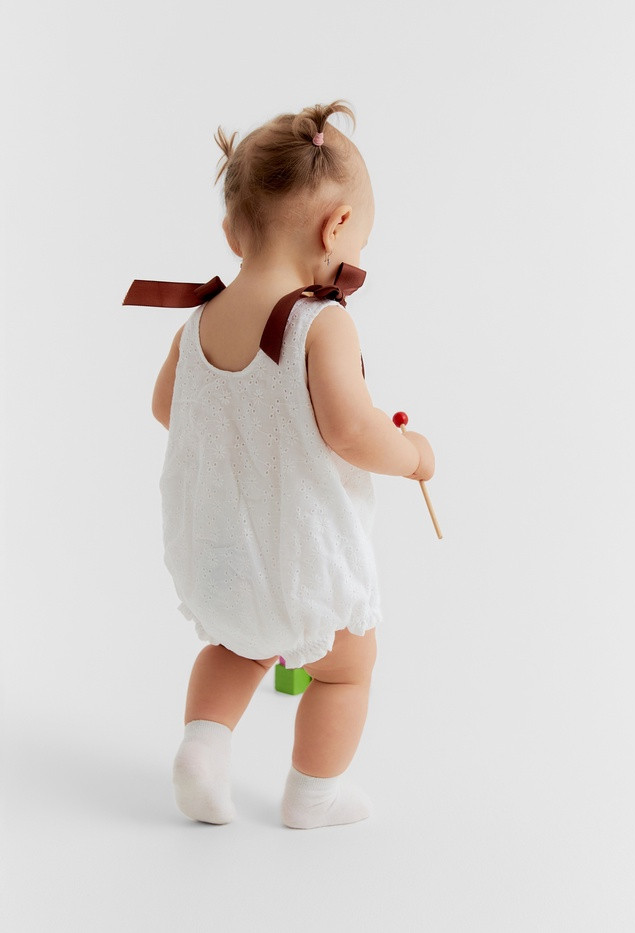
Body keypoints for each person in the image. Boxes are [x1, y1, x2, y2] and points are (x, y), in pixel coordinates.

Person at [148, 99, 435, 830]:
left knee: (235, 647)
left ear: (231, 232)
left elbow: (166, 407)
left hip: (221, 552)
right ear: (338, 227)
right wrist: (412, 456)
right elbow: (351, 430)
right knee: (346, 670)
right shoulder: (322, 322)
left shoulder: (200, 318)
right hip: (303, 557)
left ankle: (202, 751)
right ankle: (314, 796)